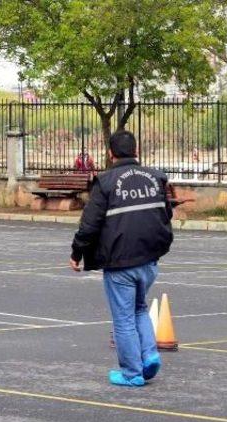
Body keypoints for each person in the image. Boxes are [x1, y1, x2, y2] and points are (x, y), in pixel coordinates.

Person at [69, 130, 174, 387]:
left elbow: (90, 224)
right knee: (139, 308)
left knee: (123, 317)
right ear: (136, 150)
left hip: (120, 262)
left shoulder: (105, 182)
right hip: (149, 260)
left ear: (110, 153)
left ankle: (131, 372)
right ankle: (149, 354)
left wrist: (77, 252)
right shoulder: (155, 178)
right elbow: (166, 214)